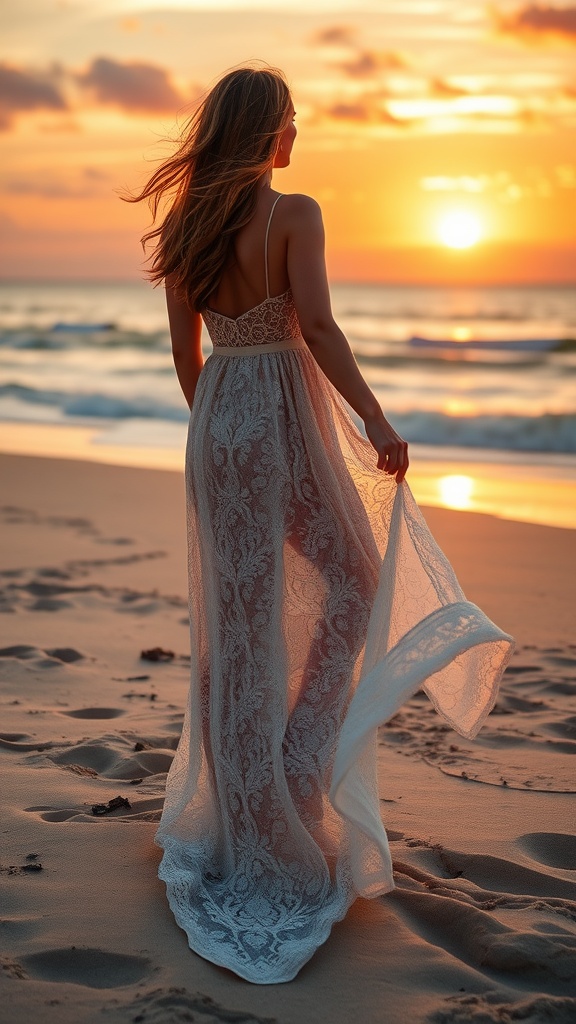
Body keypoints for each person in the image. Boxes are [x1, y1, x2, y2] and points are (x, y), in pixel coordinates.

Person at [126, 64, 514, 985]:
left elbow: (187, 359)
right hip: (285, 421)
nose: (297, 134)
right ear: (268, 132)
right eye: (291, 121)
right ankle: (291, 784)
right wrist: (376, 421)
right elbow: (324, 329)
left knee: (241, 624)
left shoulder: (185, 228)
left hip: (220, 420)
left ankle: (267, 793)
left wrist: (222, 426)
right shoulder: (295, 213)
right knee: (352, 581)